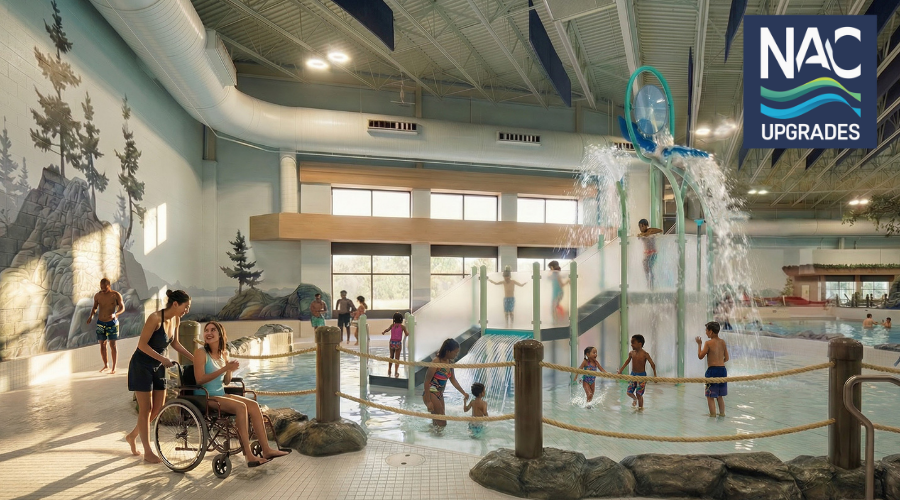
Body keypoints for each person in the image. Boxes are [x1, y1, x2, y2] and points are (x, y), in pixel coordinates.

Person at [193, 321, 289, 467]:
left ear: (220, 335)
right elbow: (200, 379)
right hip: (205, 396)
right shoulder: (201, 353)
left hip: (220, 394)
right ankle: (248, 455)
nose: (209, 333)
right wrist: (225, 368)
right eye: (206, 330)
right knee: (241, 407)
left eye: (213, 330)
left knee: (253, 405)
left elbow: (226, 381)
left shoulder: (224, 353)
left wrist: (229, 370)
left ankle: (267, 450)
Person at [124, 290, 195, 463]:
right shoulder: (155, 318)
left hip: (159, 367)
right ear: (175, 304)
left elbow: (175, 343)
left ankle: (132, 436)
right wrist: (163, 359)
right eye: (186, 307)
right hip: (142, 366)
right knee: (146, 409)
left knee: (157, 408)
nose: (187, 311)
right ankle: (147, 451)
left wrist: (194, 358)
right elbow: (142, 345)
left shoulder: (176, 319)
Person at [423, 338, 469, 427]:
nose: (456, 355)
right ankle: (436, 435)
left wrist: (463, 393)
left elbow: (453, 380)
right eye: (455, 352)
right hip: (430, 393)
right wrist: (428, 401)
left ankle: (431, 435)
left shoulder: (450, 363)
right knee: (442, 422)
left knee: (437, 422)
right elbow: (426, 381)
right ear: (448, 351)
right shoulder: (436, 362)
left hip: (439, 394)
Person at [87, 278, 125, 374]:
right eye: (101, 288)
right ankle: (106, 365)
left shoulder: (115, 295)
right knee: (102, 344)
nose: (103, 289)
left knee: (113, 344)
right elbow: (95, 307)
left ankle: (114, 367)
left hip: (112, 322)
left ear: (109, 285)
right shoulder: (98, 296)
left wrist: (116, 314)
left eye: (105, 288)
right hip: (101, 322)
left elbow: (122, 307)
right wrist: (91, 316)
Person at [696, 321, 729, 417]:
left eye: (706, 330)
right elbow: (727, 358)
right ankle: (722, 414)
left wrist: (699, 344)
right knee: (719, 395)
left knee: (710, 396)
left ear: (711, 332)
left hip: (712, 371)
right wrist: (719, 362)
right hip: (722, 370)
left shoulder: (708, 343)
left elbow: (700, 356)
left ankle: (713, 415)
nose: (705, 332)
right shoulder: (722, 342)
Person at [618, 335, 657, 409]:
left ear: (640, 344)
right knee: (629, 392)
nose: (631, 345)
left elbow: (652, 364)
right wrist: (620, 370)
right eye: (631, 343)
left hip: (642, 376)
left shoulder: (645, 354)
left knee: (639, 394)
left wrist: (655, 375)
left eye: (633, 343)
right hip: (633, 375)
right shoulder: (631, 353)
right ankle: (634, 399)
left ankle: (640, 409)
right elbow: (627, 362)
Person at [637, 219, 663, 289]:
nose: (641, 228)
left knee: (649, 266)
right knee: (645, 266)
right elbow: (639, 237)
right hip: (647, 253)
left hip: (652, 253)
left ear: (646, 225)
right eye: (640, 226)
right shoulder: (641, 234)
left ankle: (651, 284)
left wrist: (649, 232)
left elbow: (660, 230)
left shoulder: (651, 232)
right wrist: (642, 235)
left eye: (642, 226)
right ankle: (648, 283)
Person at [381, 312, 409, 378]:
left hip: (392, 343)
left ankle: (389, 370)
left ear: (394, 319)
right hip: (398, 343)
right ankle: (396, 372)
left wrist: (383, 332)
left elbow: (387, 330)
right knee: (397, 358)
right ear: (401, 319)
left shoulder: (392, 325)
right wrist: (409, 331)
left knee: (391, 356)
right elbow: (407, 334)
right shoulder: (402, 327)